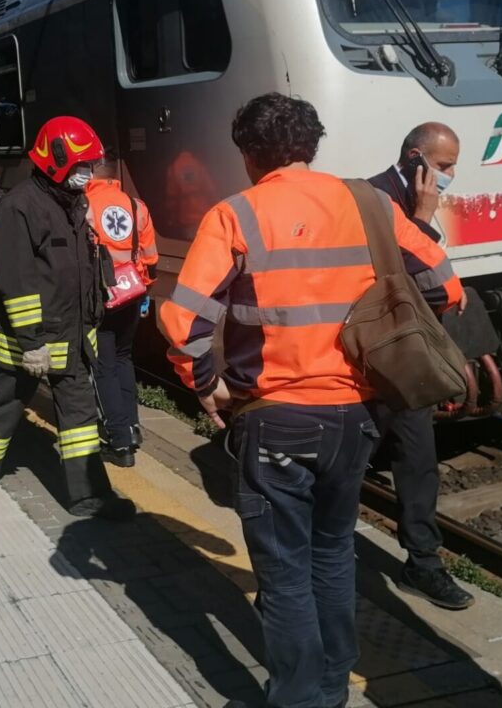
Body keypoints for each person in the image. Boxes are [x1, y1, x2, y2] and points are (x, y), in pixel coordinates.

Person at [159, 93, 462, 708]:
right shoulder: (372, 203)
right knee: (333, 554)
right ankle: (333, 684)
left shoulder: (235, 214)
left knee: (286, 572)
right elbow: (446, 290)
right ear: (311, 145)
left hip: (274, 422)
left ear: (248, 154)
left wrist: (205, 384)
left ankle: (298, 698)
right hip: (354, 418)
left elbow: (182, 321)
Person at [0, 116, 135, 521]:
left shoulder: (74, 203)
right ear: (56, 161)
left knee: (80, 420)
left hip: (70, 335)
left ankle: (89, 497)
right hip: (26, 342)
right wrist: (32, 342)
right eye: (82, 164)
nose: (89, 172)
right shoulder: (20, 207)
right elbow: (16, 280)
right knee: (1, 410)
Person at [367, 123, 475, 610]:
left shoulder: (411, 200)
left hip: (405, 354)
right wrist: (426, 218)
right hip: (371, 355)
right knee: (348, 460)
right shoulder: (377, 201)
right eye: (445, 165)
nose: (451, 174)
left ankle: (424, 564)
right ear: (416, 158)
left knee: (417, 460)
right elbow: (416, 276)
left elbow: (433, 277)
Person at [86, 149, 159, 466]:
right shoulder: (136, 206)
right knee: (124, 358)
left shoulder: (83, 207)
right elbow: (151, 257)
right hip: (131, 294)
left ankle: (118, 439)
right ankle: (132, 425)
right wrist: (143, 291)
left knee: (103, 366)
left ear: (91, 171)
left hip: (100, 296)